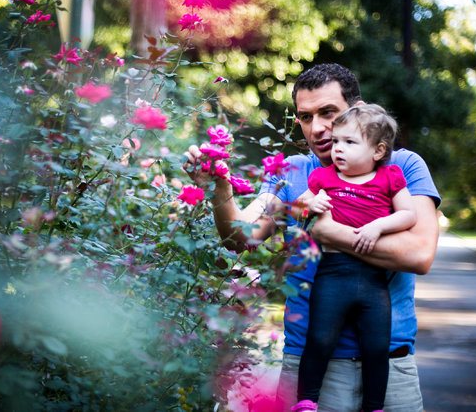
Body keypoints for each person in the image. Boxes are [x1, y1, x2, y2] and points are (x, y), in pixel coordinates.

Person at [184, 63, 440, 411]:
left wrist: (327, 232)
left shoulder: (403, 166)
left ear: (357, 110)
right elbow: (240, 238)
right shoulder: (290, 171)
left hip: (390, 365)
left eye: (328, 113)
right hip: (308, 367)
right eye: (306, 117)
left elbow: (419, 254)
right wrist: (220, 188)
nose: (317, 128)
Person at [292, 104, 417, 412]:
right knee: (319, 340)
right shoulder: (324, 177)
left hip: (374, 280)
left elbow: (408, 214)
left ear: (378, 151)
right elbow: (299, 206)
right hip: (332, 274)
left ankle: (375, 405)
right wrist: (311, 201)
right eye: (336, 142)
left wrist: (377, 226)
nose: (338, 149)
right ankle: (307, 400)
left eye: (349, 143)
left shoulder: (391, 177)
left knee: (376, 347)